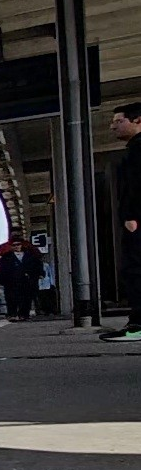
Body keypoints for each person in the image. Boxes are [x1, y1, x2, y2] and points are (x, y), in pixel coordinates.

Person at [102, 104, 141, 341]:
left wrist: (132, 217)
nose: (112, 126)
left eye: (118, 121)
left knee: (136, 272)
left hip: (137, 222)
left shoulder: (139, 150)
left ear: (137, 120)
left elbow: (137, 186)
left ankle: (137, 327)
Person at [0, 235, 43, 321]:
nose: (16, 246)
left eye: (18, 244)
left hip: (26, 281)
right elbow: (1, 269)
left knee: (26, 298)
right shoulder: (6, 257)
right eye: (14, 245)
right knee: (11, 299)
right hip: (11, 281)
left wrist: (40, 274)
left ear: (22, 245)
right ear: (11, 246)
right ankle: (12, 314)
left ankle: (24, 315)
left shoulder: (30, 255)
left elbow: (38, 265)